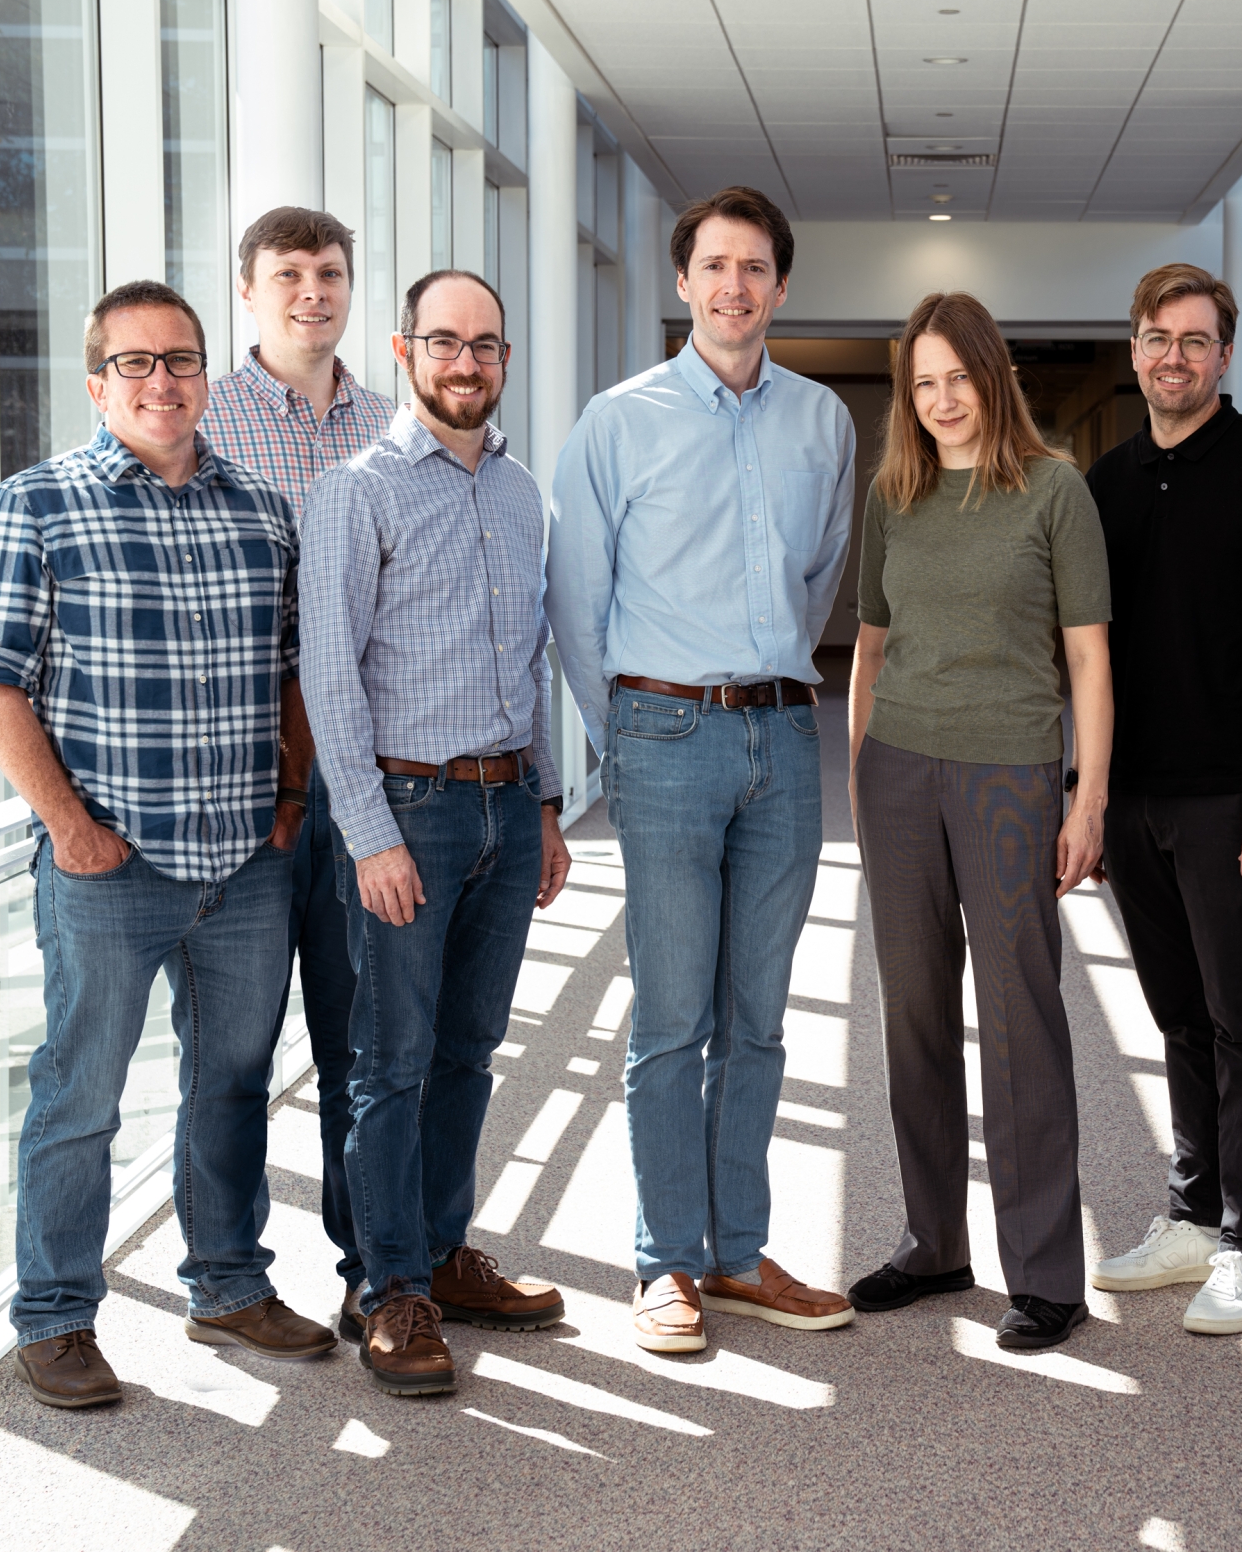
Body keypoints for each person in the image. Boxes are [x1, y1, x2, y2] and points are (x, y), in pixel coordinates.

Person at [0, 279, 335, 1409]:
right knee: (80, 1094)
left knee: (231, 1082)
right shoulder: (32, 505)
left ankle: (225, 1283)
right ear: (95, 382)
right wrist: (67, 826)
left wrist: (292, 790)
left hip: (246, 864)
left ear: (207, 375)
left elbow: (292, 667)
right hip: (107, 865)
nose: (161, 380)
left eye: (180, 360)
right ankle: (57, 1315)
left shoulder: (263, 510)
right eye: (136, 363)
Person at [544, 187, 857, 1354]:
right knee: (672, 1020)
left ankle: (736, 1250)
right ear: (682, 284)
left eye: (756, 267)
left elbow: (817, 579)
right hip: (663, 735)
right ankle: (663, 1260)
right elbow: (576, 605)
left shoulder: (823, 420)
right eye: (714, 265)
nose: (734, 286)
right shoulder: (616, 420)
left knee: (761, 1017)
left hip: (784, 736)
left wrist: (770, 677)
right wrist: (626, 729)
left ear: (781, 286)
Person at [301, 269, 572, 1394]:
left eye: (487, 345)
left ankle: (444, 1252)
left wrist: (547, 804)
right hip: (405, 812)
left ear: (504, 359)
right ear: (406, 352)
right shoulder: (354, 491)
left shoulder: (520, 494)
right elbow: (328, 676)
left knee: (468, 1049)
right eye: (446, 342)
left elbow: (532, 661)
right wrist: (369, 836)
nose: (468, 362)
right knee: (388, 1063)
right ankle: (390, 1283)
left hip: (507, 809)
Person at [841, 291, 1115, 1351]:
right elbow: (870, 642)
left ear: (994, 377)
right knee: (910, 1008)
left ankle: (1045, 1272)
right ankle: (932, 1239)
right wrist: (863, 777)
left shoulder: (1053, 490)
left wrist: (1085, 794)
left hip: (1009, 768)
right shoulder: (893, 494)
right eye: (923, 383)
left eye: (960, 377)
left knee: (1018, 1017)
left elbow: (1088, 653)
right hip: (899, 770)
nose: (942, 399)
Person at [1083, 264, 1242, 1337]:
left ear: (1224, 355)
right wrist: (1091, 799)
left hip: (1238, 796)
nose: (1173, 356)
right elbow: (1084, 653)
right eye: (1156, 337)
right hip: (1135, 797)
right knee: (1175, 1015)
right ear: (1134, 350)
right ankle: (1192, 1214)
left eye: (1195, 339)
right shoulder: (1102, 482)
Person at [203, 206, 394, 1320]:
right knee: (231, 1046)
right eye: (288, 274)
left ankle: (375, 1265)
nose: (312, 292)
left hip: (360, 774)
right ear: (250, 290)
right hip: (243, 773)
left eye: (329, 273)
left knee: (358, 1034)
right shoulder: (205, 416)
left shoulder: (387, 422)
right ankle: (228, 1275)